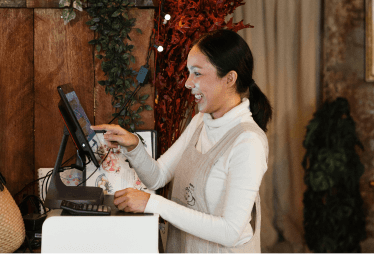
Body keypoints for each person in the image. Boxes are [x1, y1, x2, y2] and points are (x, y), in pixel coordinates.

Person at [92, 29, 272, 254]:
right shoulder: (200, 122)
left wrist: (152, 203)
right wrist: (133, 145)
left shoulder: (248, 142)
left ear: (230, 78)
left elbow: (230, 231)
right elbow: (157, 176)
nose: (188, 83)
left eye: (197, 73)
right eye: (189, 73)